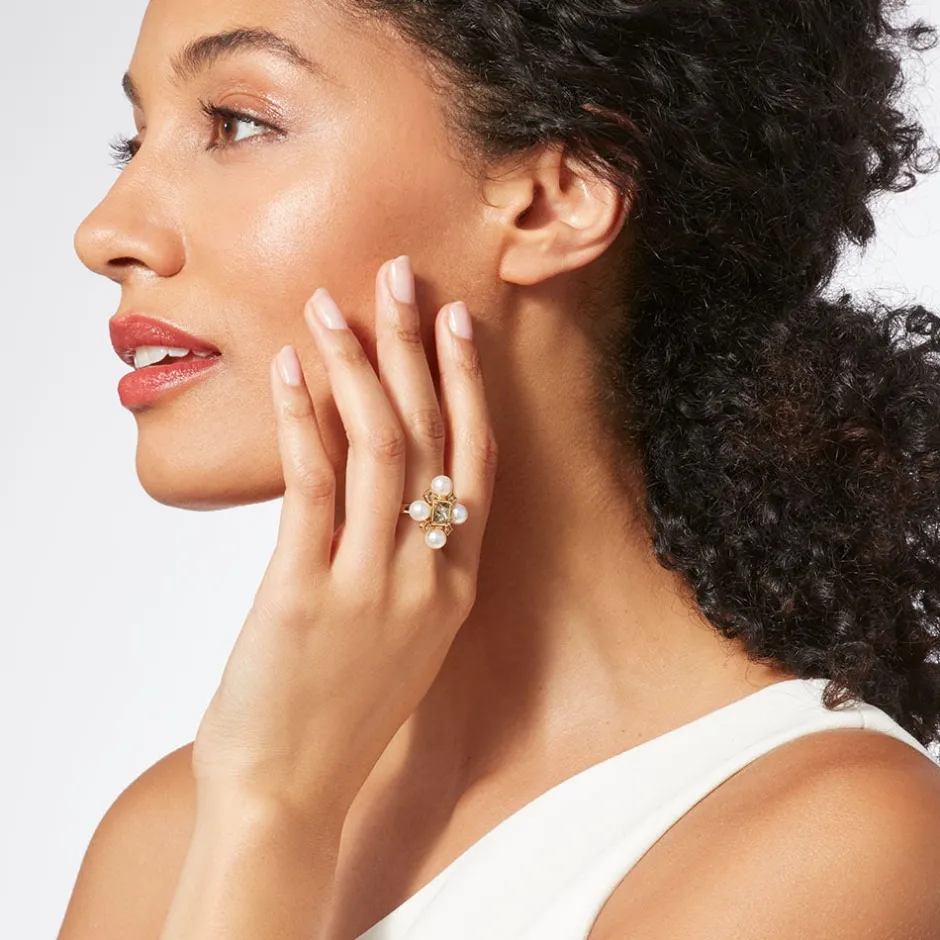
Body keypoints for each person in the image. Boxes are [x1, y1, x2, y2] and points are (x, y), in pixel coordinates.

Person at [62, 1, 940, 938]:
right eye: (135, 140)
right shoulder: (174, 830)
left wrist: (276, 814)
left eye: (238, 124)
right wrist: (263, 802)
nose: (104, 232)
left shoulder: (837, 843)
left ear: (551, 199)